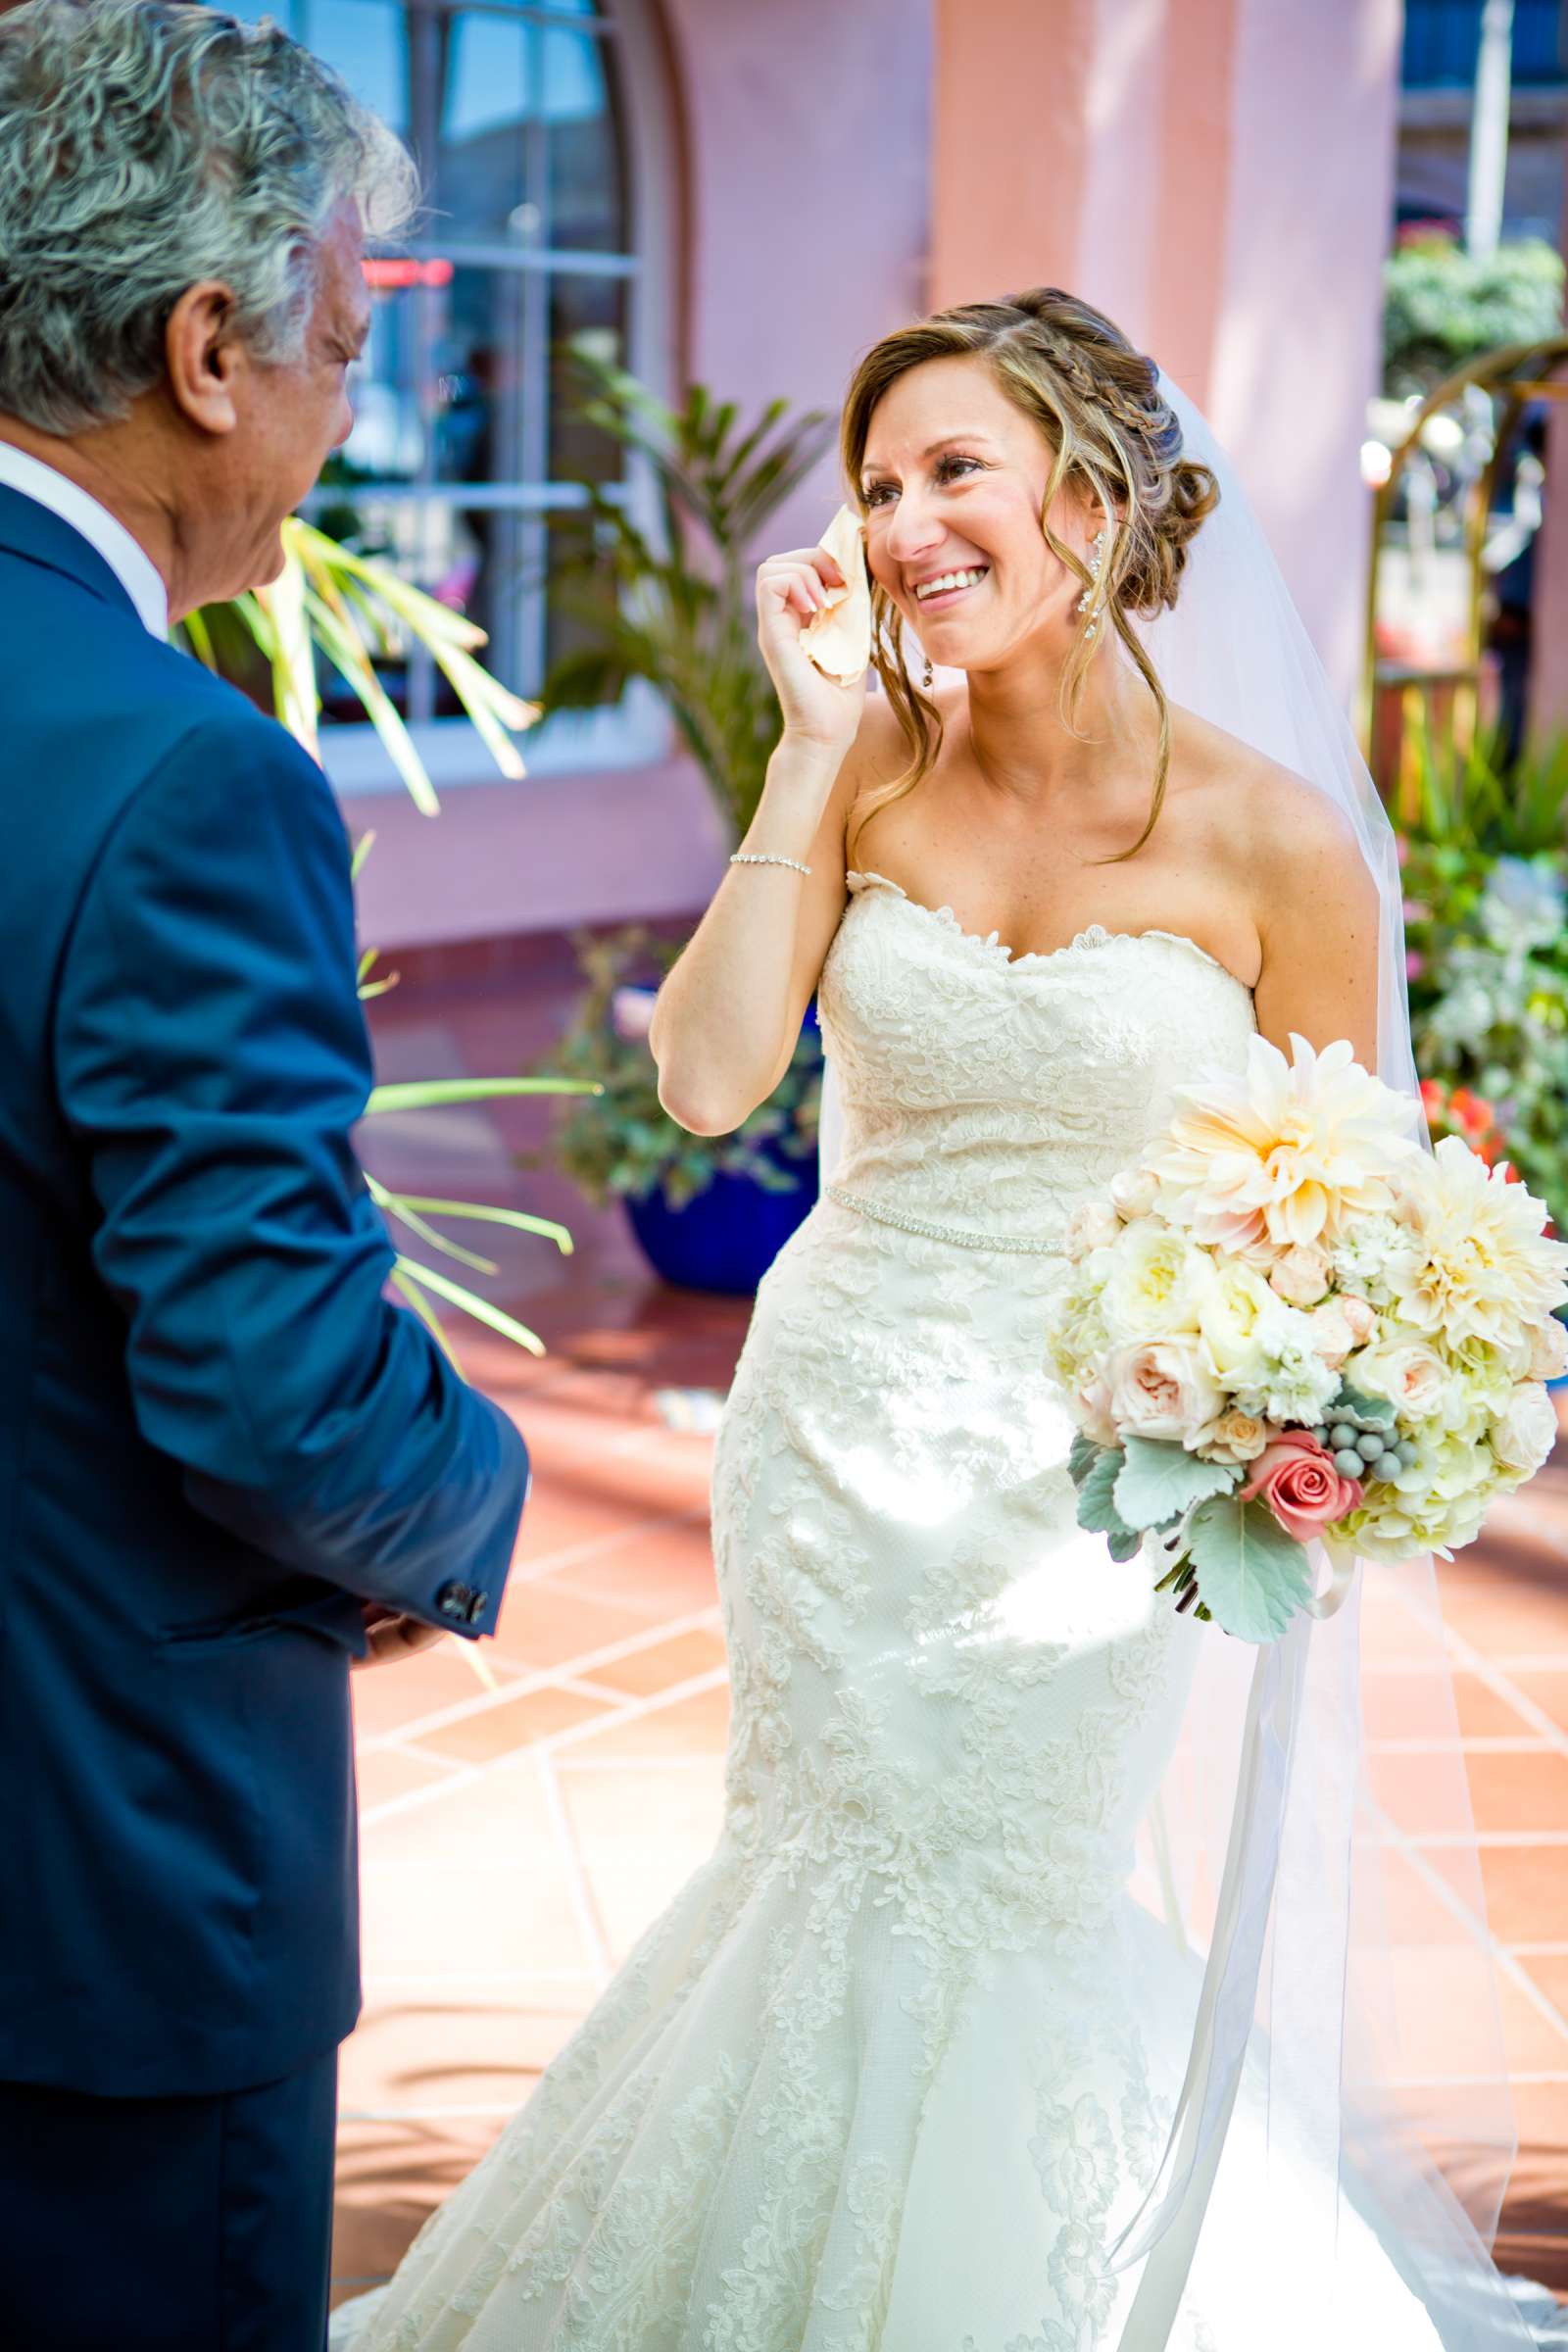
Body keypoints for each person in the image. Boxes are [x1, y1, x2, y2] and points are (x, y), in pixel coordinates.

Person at [331, 293, 1550, 2349]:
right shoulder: (867, 762)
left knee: (1006, 1899)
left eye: (951, 470)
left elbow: (1348, 1226)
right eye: (875, 484)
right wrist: (807, 753)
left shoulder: (1277, 843)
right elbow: (711, 1084)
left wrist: (1304, 1449)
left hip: (1098, 1483)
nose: (899, 525)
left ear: (1086, 498)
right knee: (820, 1880)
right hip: (833, 1434)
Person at [0, 6, 529, 2347]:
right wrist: (469, 1501)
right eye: (334, 348)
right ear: (204, 351)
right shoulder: (180, 775)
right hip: (86, 1898)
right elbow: (279, 1392)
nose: (340, 431)